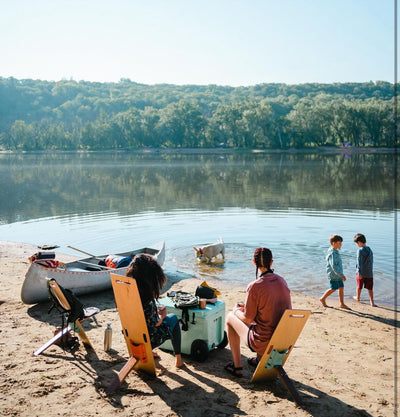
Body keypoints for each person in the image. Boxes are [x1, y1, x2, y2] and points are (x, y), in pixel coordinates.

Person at [224, 247, 292, 377]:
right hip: (281, 340)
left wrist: (237, 310)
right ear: (271, 262)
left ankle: (237, 366)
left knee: (230, 317)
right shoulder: (282, 281)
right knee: (264, 321)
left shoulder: (255, 286)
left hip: (263, 342)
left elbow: (248, 319)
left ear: (254, 263)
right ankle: (258, 360)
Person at [125, 253, 183, 367]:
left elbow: (142, 316)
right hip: (149, 340)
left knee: (148, 326)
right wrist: (163, 315)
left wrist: (154, 311)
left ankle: (150, 351)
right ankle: (179, 360)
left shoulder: (129, 292)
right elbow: (155, 324)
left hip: (132, 336)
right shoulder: (146, 296)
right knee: (174, 319)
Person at [320, 234, 351, 310]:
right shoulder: (332, 253)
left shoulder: (334, 250)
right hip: (334, 274)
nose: (341, 245)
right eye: (339, 243)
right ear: (333, 243)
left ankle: (342, 303)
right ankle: (323, 298)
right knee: (333, 288)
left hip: (338, 274)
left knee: (341, 287)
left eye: (341, 243)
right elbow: (334, 266)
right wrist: (341, 275)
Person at [353, 233, 376, 307]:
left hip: (361, 273)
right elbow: (371, 262)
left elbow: (359, 262)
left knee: (359, 286)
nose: (357, 245)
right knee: (370, 288)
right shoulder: (369, 249)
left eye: (357, 243)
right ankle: (372, 302)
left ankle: (358, 298)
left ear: (359, 242)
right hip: (369, 272)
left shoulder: (360, 250)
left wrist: (359, 272)